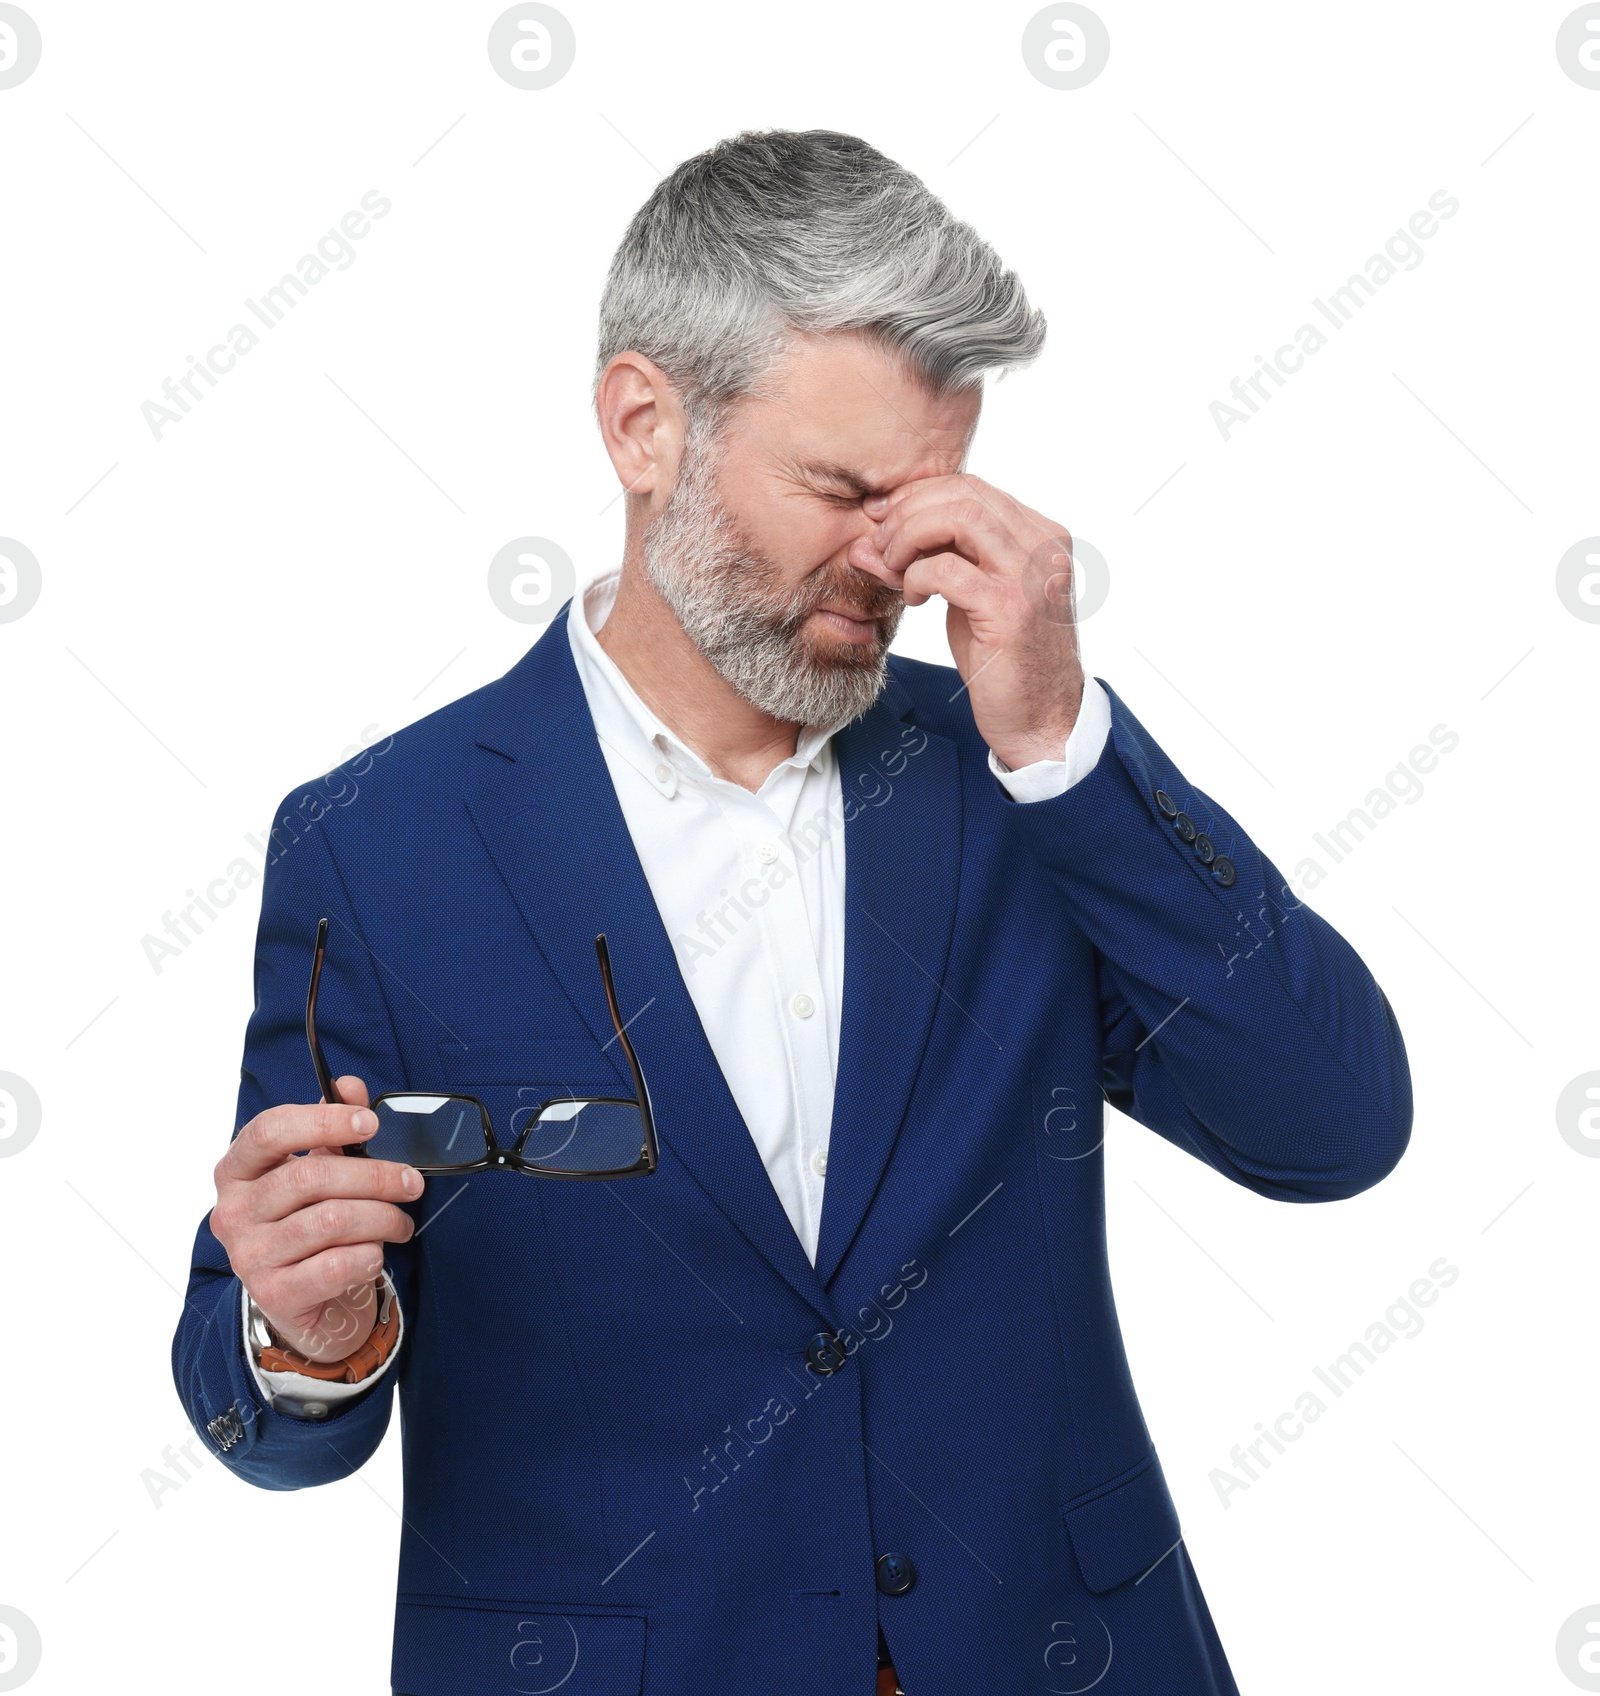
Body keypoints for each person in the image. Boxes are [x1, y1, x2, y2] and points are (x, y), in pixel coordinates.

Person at [173, 129, 1411, 1696]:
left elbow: (1332, 1126)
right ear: (643, 425)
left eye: (930, 495)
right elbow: (255, 1404)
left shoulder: (1013, 780)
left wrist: (1060, 744)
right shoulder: (382, 844)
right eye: (840, 488)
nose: (894, 559)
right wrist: (314, 1332)